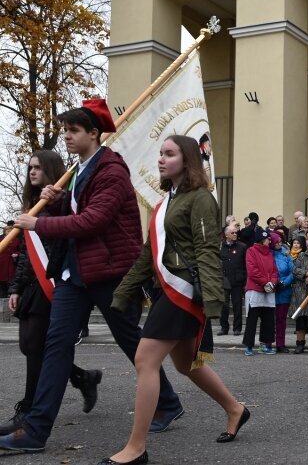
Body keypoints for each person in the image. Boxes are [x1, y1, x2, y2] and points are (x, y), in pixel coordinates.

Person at [0, 99, 183, 454]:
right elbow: (79, 210)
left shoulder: (112, 170)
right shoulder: (83, 167)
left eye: (73, 131)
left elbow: (92, 221)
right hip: (75, 273)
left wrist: (38, 222)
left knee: (134, 343)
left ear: (94, 134)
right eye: (65, 130)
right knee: (56, 345)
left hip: (110, 272)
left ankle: (169, 402)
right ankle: (36, 431)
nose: (66, 136)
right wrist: (57, 201)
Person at [105, 135, 248, 464]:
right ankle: (235, 409)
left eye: (169, 154)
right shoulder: (164, 203)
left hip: (183, 293)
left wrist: (212, 299)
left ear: (187, 160)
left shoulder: (201, 199)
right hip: (164, 289)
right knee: (186, 364)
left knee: (145, 360)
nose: (161, 159)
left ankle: (136, 448)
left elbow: (207, 250)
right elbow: (148, 254)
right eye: (160, 153)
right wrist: (124, 291)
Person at [1, 151, 102, 437]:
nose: (32, 172)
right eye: (30, 167)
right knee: (31, 346)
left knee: (35, 346)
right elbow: (24, 256)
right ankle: (83, 377)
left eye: (38, 167)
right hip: (32, 285)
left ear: (51, 170)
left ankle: (28, 412)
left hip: (55, 283)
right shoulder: (31, 205)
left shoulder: (60, 203)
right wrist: (15, 288)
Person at [243, 228, 278, 355]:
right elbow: (252, 270)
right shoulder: (251, 251)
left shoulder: (269, 253)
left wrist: (272, 282)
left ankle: (265, 344)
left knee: (268, 319)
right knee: (252, 319)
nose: (269, 241)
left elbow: (275, 271)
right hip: (255, 289)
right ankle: (249, 346)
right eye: (267, 239)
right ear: (261, 240)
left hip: (268, 290)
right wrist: (265, 282)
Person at [219, 224, 247, 336]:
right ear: (226, 235)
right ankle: (224, 328)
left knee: (237, 306)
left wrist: (245, 279)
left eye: (236, 233)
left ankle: (237, 328)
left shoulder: (242, 246)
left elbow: (246, 264)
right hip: (224, 280)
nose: (235, 234)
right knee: (223, 306)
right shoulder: (220, 247)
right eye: (232, 233)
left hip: (238, 280)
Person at [271, 232, 295, 353]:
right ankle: (268, 342)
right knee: (269, 319)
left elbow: (293, 272)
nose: (279, 243)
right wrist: (274, 283)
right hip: (270, 290)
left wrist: (284, 283)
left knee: (281, 319)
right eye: (277, 241)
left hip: (284, 290)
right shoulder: (268, 254)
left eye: (281, 241)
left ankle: (281, 343)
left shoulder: (286, 255)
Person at [0, 222, 20, 298]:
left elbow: (20, 250)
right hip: (2, 263)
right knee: (2, 281)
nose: (9, 232)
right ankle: (2, 297)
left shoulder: (17, 240)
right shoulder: (1, 239)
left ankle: (11, 295)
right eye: (8, 231)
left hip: (12, 263)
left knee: (11, 279)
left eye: (11, 231)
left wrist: (16, 254)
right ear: (5, 232)